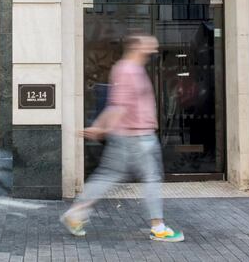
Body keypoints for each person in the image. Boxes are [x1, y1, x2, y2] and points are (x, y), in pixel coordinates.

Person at [60, 34, 185, 242]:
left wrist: (100, 126)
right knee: (152, 178)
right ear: (136, 47)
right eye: (149, 45)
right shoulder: (129, 70)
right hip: (136, 137)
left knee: (108, 176)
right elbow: (119, 105)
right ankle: (159, 227)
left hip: (129, 136)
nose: (153, 49)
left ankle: (76, 214)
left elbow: (115, 103)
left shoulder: (128, 68)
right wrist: (101, 128)